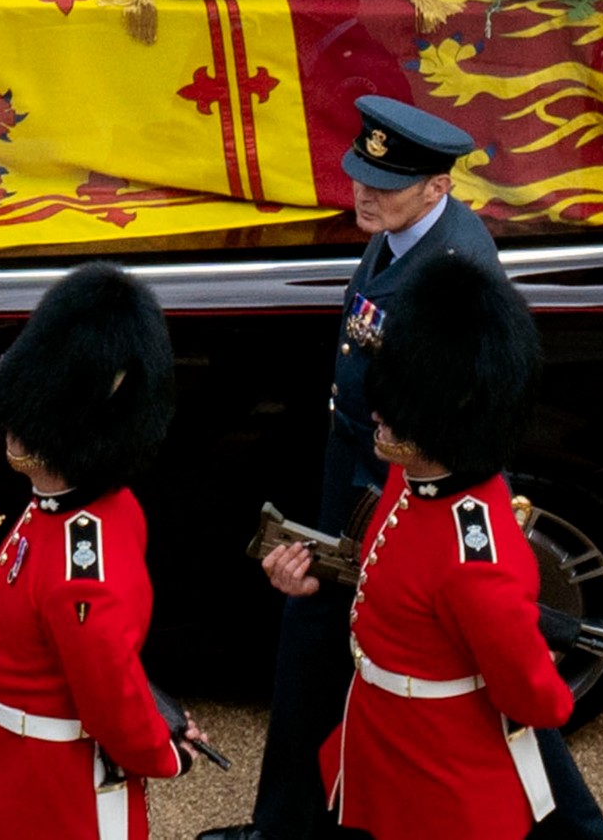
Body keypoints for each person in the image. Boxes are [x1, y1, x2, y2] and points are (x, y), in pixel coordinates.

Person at [210, 97, 498, 840]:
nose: (362, 195)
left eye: (385, 183)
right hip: (355, 466)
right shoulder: (401, 232)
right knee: (312, 639)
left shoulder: (452, 273)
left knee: (340, 642)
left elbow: (452, 422)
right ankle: (290, 823)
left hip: (393, 488)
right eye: (359, 176)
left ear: (436, 187)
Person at [270, 254, 577, 840]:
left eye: (400, 409)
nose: (379, 414)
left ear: (451, 411)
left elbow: (537, 701)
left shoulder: (475, 554)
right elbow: (396, 579)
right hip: (380, 736)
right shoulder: (408, 475)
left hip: (440, 777)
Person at [0, 263, 184, 840]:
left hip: (54, 793)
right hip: (7, 764)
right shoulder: (56, 501)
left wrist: (160, 752)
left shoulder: (82, 556)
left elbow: (107, 692)